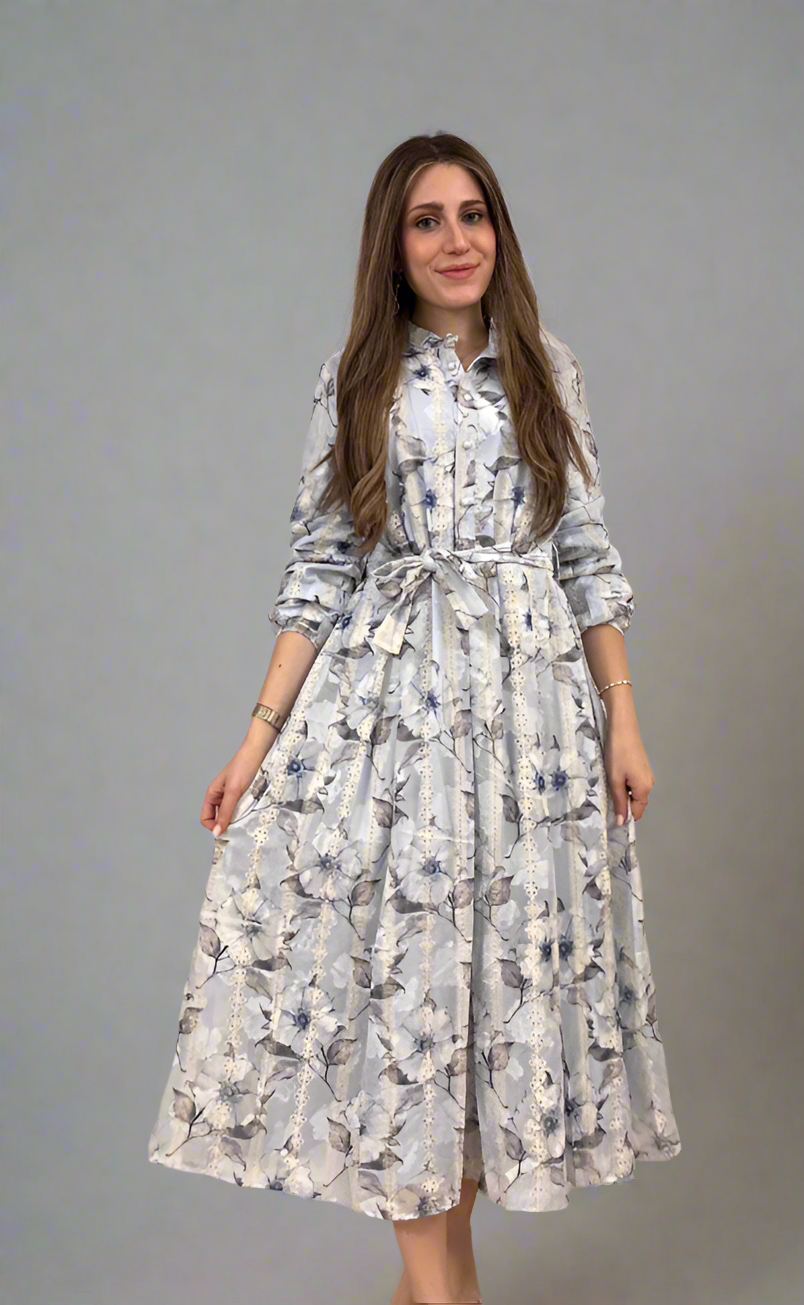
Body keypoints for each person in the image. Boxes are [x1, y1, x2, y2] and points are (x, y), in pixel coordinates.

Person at [147, 131, 682, 1305]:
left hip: (534, 737)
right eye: (427, 220)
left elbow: (587, 555)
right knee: (411, 1011)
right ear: (392, 248)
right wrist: (256, 737)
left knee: (491, 1022)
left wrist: (623, 721)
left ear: (500, 232)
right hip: (394, 727)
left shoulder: (548, 370)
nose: (456, 240)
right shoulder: (360, 379)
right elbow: (321, 565)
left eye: (473, 214)